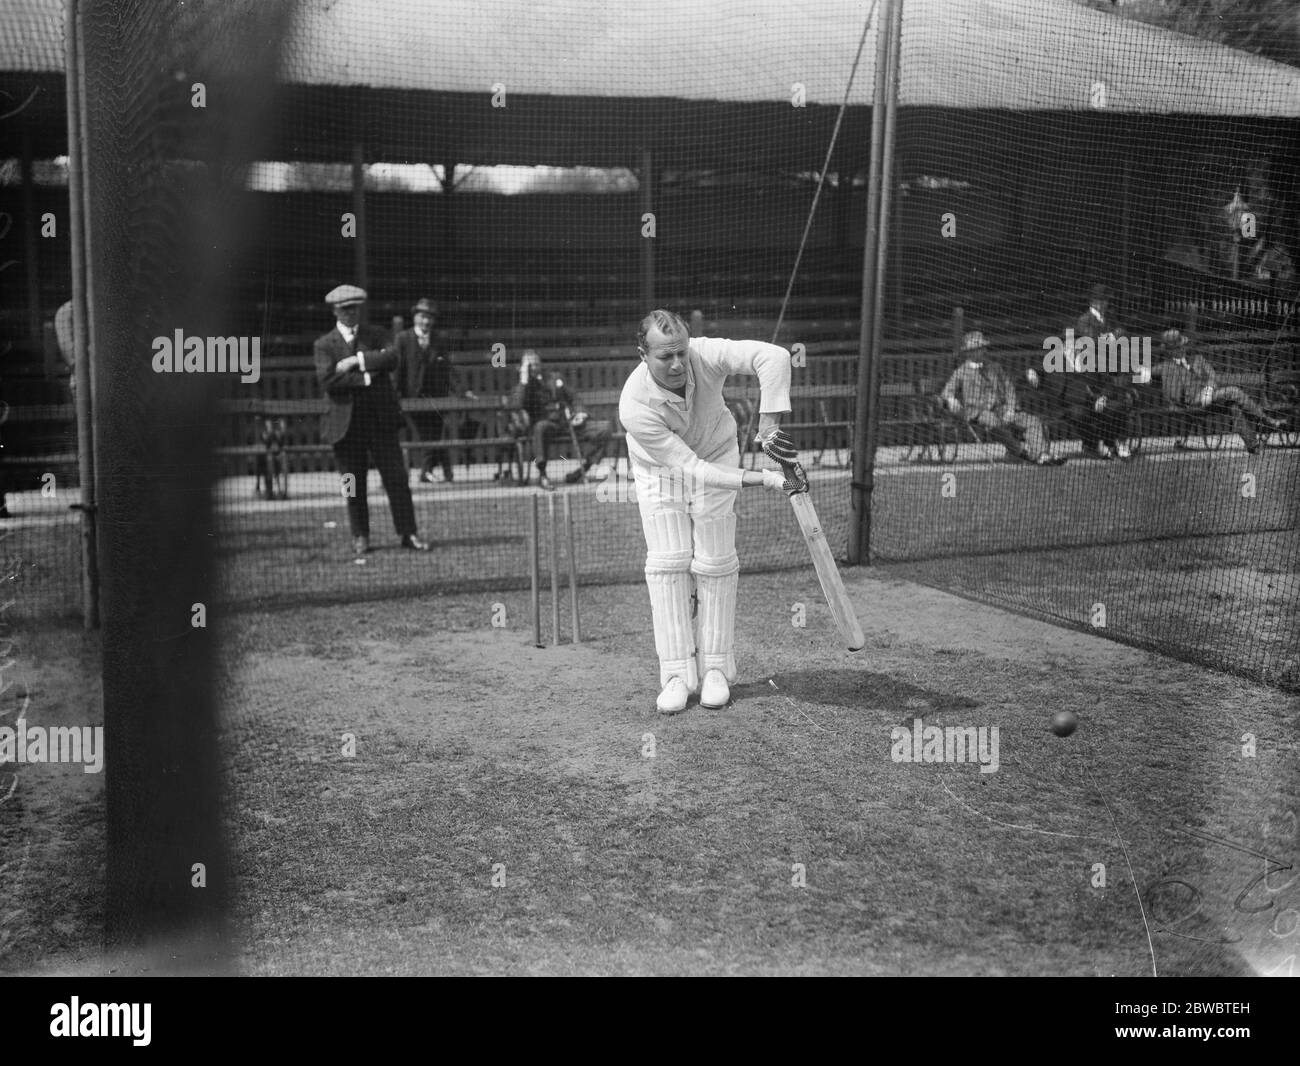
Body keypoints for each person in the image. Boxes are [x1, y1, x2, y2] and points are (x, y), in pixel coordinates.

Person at [620, 309, 797, 715]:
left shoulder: (705, 353)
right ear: (642, 355)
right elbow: (695, 471)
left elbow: (775, 357)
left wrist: (768, 428)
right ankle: (677, 675)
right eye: (666, 357)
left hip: (718, 447)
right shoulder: (634, 405)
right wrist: (764, 479)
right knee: (669, 563)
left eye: (682, 352)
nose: (679, 364)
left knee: (716, 561)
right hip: (661, 471)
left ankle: (715, 668)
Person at [314, 284, 430, 557]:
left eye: (354, 308)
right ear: (335, 311)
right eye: (344, 309)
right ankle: (360, 536)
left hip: (380, 422)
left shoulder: (376, 334)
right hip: (346, 427)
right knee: (353, 483)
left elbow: (392, 358)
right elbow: (328, 379)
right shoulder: (324, 344)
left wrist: (356, 361)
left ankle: (408, 533)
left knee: (397, 479)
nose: (350, 314)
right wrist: (368, 377)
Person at [1143, 328, 1282, 454]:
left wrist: (1209, 389)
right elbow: (1142, 374)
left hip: (1208, 401)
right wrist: (1144, 374)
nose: (1180, 350)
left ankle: (1253, 446)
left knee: (1233, 407)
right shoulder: (1166, 367)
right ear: (1169, 351)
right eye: (1175, 349)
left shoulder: (1197, 359)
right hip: (1189, 406)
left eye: (1181, 347)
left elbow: (1212, 376)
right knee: (1233, 391)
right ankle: (1266, 421)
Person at [940, 331, 1063, 465]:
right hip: (978, 412)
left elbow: (1009, 388)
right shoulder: (961, 372)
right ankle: (1021, 453)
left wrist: (1011, 409)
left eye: (982, 349)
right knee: (994, 423)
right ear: (968, 353)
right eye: (976, 350)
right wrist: (951, 399)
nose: (981, 352)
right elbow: (947, 391)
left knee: (1032, 421)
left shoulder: (995, 368)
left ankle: (1042, 455)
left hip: (1002, 409)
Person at [394, 297, 477, 484]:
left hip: (436, 398)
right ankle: (431, 472)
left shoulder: (438, 339)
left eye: (430, 318)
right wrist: (395, 395)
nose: (426, 321)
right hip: (413, 398)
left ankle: (434, 472)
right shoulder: (403, 339)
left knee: (437, 434)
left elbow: (448, 369)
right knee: (427, 435)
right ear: (415, 317)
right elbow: (398, 369)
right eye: (423, 316)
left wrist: (462, 392)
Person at [510, 350, 611, 489]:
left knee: (605, 428)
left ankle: (584, 468)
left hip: (568, 423)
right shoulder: (524, 387)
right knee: (540, 428)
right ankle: (543, 475)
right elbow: (517, 405)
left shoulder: (555, 378)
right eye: (530, 366)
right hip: (547, 425)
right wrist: (524, 380)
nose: (534, 368)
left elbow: (574, 397)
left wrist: (580, 413)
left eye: (536, 364)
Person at [1026, 331, 1113, 459]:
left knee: (1099, 411)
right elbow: (1036, 370)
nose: (1073, 347)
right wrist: (1031, 373)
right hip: (1059, 406)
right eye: (1069, 344)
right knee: (1077, 413)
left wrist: (1102, 397)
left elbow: (1107, 382)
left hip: (1088, 403)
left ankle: (1099, 445)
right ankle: (1093, 445)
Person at [1073, 284, 1136, 459]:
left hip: (1111, 367)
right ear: (1095, 301)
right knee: (1111, 401)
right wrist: (1111, 337)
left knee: (1120, 398)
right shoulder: (1084, 320)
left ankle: (1118, 441)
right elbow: (1091, 342)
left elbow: (1121, 335)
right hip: (1093, 371)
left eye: (1106, 300)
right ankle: (1107, 442)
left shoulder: (1109, 319)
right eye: (1104, 300)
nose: (1106, 304)